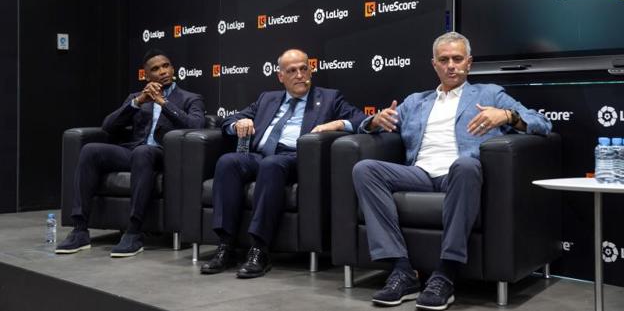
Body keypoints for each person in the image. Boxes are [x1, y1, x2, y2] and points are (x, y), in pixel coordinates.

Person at [352, 32, 551, 310]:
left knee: (466, 165)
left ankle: (446, 272)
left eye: (457, 59)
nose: (451, 66)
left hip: (460, 174)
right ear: (434, 64)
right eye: (444, 60)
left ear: (469, 63)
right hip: (420, 174)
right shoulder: (415, 102)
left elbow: (541, 123)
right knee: (365, 169)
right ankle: (401, 270)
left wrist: (507, 116)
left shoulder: (489, 93)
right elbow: (369, 124)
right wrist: (374, 121)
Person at [201, 48, 366, 278]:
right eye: (292, 71)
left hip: (294, 158)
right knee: (228, 162)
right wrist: (239, 123)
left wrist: (336, 124)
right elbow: (228, 120)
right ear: (281, 76)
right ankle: (225, 246)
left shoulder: (329, 98)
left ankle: (259, 248)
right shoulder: (267, 98)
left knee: (273, 165)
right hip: (259, 154)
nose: (299, 75)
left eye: (303, 69)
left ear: (310, 70)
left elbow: (359, 119)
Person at [55, 48, 206, 257]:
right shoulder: (137, 97)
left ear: (172, 68)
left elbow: (196, 125)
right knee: (90, 150)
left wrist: (164, 103)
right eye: (155, 69)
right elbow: (108, 127)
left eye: (166, 66)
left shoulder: (190, 98)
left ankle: (134, 232)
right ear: (146, 75)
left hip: (163, 155)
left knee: (143, 152)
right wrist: (137, 103)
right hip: (133, 152)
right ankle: (79, 230)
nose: (162, 71)